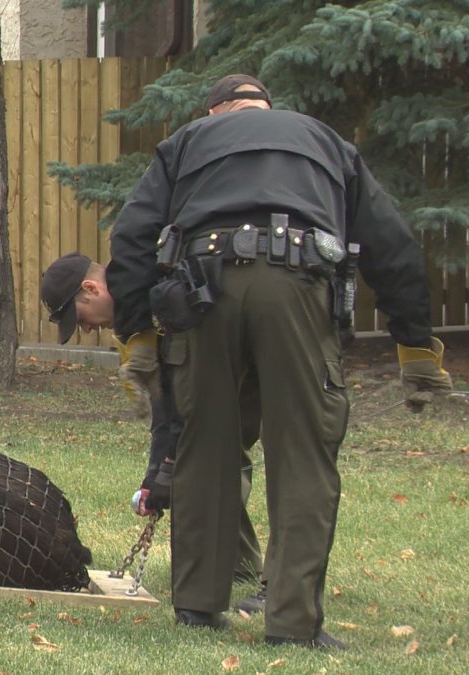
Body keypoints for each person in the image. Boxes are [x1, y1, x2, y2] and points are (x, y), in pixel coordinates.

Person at [103, 74, 453, 650]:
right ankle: (292, 623)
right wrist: (414, 346)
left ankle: (196, 604)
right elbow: (392, 245)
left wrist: (138, 335)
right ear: (268, 107)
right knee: (303, 451)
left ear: (216, 110)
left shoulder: (190, 140)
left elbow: (134, 236)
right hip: (297, 283)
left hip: (200, 292)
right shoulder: (323, 140)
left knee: (206, 442)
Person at [40, 253, 267, 614]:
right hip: (213, 374)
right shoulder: (129, 325)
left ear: (91, 288)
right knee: (214, 452)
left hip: (254, 351)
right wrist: (155, 474)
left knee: (210, 452)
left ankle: (272, 582)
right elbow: (165, 404)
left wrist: (170, 464)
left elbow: (184, 399)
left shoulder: (156, 291)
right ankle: (239, 564)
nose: (85, 329)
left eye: (79, 317)